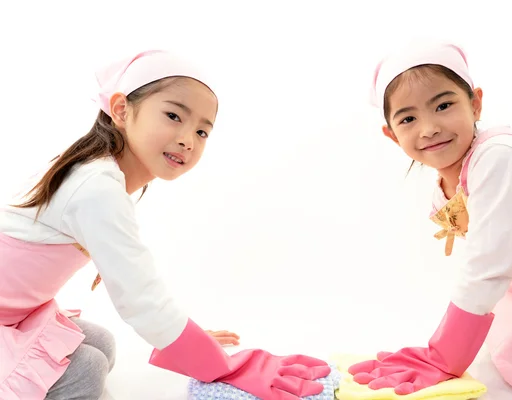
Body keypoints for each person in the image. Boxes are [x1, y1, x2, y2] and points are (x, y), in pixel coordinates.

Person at [0, 49, 330, 400]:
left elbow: (131, 282)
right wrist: (216, 362)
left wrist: (184, 337)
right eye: (174, 116)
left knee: (101, 345)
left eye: (203, 131)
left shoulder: (98, 174)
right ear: (121, 110)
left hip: (17, 312)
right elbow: (141, 299)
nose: (188, 139)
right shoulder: (95, 185)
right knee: (87, 369)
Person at [347, 42, 512, 400]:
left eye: (444, 105)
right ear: (391, 133)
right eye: (408, 118)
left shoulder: (499, 156)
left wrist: (444, 355)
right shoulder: (449, 181)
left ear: (475, 103)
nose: (429, 128)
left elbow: (489, 264)